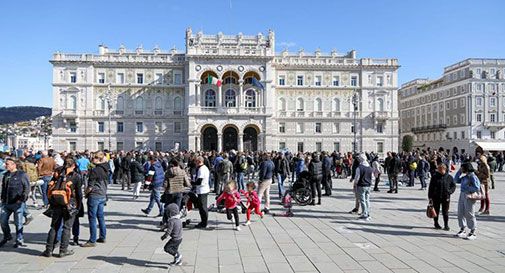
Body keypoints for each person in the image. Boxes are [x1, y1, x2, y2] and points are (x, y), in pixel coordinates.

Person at [41, 158, 82, 257]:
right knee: (66, 227)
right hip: (69, 204)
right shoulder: (75, 176)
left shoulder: (57, 173)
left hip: (56, 203)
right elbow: (79, 194)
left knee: (54, 227)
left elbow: (50, 186)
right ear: (74, 166)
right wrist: (78, 206)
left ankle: (49, 250)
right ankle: (63, 250)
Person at [0, 158, 30, 248]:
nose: (6, 165)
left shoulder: (22, 174)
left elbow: (27, 188)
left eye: (7, 164)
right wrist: (2, 198)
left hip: (17, 203)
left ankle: (19, 239)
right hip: (6, 203)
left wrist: (22, 199)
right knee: (3, 221)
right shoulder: (6, 175)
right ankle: (7, 236)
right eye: (6, 164)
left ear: (14, 165)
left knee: (18, 223)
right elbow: (3, 188)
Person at [82, 152, 109, 247]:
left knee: (92, 218)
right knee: (100, 216)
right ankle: (102, 236)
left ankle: (92, 240)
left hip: (95, 195)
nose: (93, 159)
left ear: (99, 159)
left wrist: (85, 193)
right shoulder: (106, 168)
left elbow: (90, 186)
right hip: (103, 195)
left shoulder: (95, 170)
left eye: (95, 157)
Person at [454, 162, 480, 240]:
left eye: (462, 168)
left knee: (469, 213)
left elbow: (477, 187)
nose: (461, 169)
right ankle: (462, 229)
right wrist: (459, 172)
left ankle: (473, 231)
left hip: (469, 196)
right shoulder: (465, 177)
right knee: (460, 212)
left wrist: (467, 189)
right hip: (462, 195)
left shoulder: (473, 177)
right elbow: (456, 180)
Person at [428, 163, 456, 230]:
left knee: (445, 212)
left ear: (444, 169)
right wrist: (430, 197)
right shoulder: (434, 177)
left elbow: (453, 186)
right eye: (438, 169)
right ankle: (436, 223)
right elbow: (431, 187)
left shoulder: (449, 177)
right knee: (436, 211)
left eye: (440, 169)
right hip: (436, 197)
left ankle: (446, 225)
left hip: (445, 197)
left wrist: (450, 191)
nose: (439, 170)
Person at [191, 156, 210, 229]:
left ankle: (204, 223)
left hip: (202, 189)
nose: (195, 163)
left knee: (203, 207)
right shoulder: (204, 168)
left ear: (199, 161)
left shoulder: (201, 169)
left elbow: (199, 181)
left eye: (195, 161)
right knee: (201, 206)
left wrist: (192, 183)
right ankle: (203, 221)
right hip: (202, 189)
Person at [354, 154, 373, 220]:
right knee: (367, 200)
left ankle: (364, 214)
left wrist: (355, 184)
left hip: (361, 185)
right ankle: (367, 212)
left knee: (362, 200)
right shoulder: (370, 168)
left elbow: (357, 178)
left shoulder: (359, 167)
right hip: (368, 185)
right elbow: (372, 177)